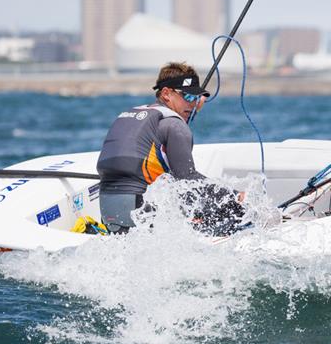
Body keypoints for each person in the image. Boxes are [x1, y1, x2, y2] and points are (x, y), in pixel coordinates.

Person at [97, 61, 244, 235]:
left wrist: (191, 100)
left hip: (109, 213)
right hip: (143, 216)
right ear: (166, 93)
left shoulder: (133, 114)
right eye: (188, 97)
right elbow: (187, 179)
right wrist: (233, 195)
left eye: (196, 98)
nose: (193, 104)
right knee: (230, 207)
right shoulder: (175, 125)